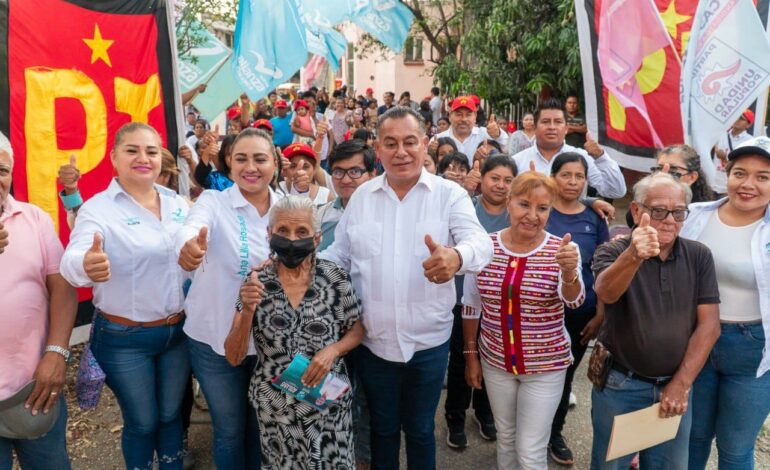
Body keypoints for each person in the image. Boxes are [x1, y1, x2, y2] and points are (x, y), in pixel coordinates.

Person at [320, 106, 493, 469]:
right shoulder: (363, 197)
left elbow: (481, 243)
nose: (401, 152)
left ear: (425, 144)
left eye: (410, 142)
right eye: (391, 143)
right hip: (374, 342)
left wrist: (456, 258)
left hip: (427, 344)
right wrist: (298, 268)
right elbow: (339, 255)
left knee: (418, 431)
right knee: (382, 430)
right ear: (378, 150)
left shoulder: (449, 195)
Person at [60, 123, 191, 470]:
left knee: (169, 414)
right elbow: (71, 261)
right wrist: (87, 265)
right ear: (114, 157)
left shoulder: (178, 204)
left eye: (150, 151)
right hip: (124, 339)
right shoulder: (98, 210)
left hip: (177, 333)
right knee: (143, 421)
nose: (143, 158)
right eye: (132, 150)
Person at [590, 172, 721, 469]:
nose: (669, 219)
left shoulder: (698, 256)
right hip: (621, 386)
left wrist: (681, 383)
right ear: (636, 211)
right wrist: (634, 256)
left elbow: (709, 327)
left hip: (674, 388)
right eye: (658, 210)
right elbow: (607, 293)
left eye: (678, 212)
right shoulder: (614, 250)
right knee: (609, 464)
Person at [224, 196, 364, 469]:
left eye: (302, 232)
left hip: (327, 405)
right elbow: (233, 355)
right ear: (269, 234)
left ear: (317, 238)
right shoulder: (255, 281)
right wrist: (249, 310)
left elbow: (357, 330)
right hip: (277, 409)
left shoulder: (334, 277)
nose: (291, 240)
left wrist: (333, 350)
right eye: (283, 231)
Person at [462, 172, 585, 470]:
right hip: (495, 362)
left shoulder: (563, 250)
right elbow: (470, 306)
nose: (532, 215)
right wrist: (471, 357)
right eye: (524, 204)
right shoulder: (484, 247)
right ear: (509, 203)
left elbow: (574, 300)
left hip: (545, 367)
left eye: (542, 208)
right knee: (505, 438)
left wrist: (569, 273)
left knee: (530, 451)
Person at [177, 128, 282, 469]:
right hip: (214, 340)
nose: (250, 167)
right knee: (230, 430)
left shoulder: (289, 209)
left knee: (261, 426)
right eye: (241, 159)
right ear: (229, 164)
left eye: (260, 158)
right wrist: (190, 245)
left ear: (275, 164)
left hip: (270, 344)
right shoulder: (213, 201)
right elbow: (193, 227)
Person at [681, 136, 770, 469]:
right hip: (696, 341)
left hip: (753, 351)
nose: (749, 184)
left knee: (735, 448)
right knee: (692, 436)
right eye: (740, 173)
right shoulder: (693, 215)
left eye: (763, 177)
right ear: (726, 174)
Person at [0, 133, 77, 470]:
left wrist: (56, 352)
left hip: (34, 389)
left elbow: (62, 287)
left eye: (1, 169)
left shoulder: (34, 219)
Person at [444, 155, 517, 449]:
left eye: (508, 180)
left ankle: (485, 412)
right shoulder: (466, 210)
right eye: (494, 178)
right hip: (463, 300)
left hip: (502, 304)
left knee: (494, 361)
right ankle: (455, 416)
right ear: (481, 179)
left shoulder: (516, 214)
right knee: (463, 357)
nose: (500, 185)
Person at [545, 153, 610, 465]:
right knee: (534, 375)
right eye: (565, 175)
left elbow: (604, 270)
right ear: (553, 176)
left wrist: (601, 312)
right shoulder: (540, 210)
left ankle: (554, 432)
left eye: (578, 176)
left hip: (580, 313)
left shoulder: (594, 218)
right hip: (540, 311)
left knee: (564, 375)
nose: (572, 182)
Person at [512, 98, 626, 199]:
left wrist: (600, 157)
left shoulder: (582, 157)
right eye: (545, 122)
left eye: (558, 122)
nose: (552, 127)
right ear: (535, 127)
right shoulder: (517, 161)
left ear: (566, 128)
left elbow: (616, 192)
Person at [318, 140, 377, 251]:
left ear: (372, 174)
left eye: (354, 171)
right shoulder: (320, 215)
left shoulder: (385, 213)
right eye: (338, 172)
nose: (345, 180)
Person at [436, 96, 508, 167]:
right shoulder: (438, 139)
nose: (464, 119)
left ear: (475, 116)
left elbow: (505, 144)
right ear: (450, 116)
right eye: (459, 114)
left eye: (468, 115)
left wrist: (498, 134)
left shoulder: (484, 134)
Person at [712, 109, 754, 195]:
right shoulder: (721, 134)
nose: (737, 120)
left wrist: (725, 157)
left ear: (748, 125)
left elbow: (746, 164)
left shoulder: (750, 141)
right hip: (713, 183)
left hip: (730, 187)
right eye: (736, 117)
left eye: (741, 118)